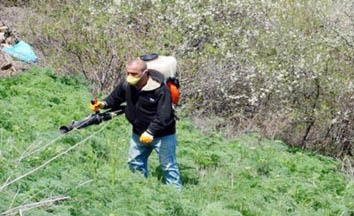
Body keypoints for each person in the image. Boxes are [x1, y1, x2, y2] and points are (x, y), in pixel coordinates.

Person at [90, 59, 182, 189]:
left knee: (168, 166)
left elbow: (164, 116)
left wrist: (151, 131)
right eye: (128, 73)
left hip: (162, 135)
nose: (130, 76)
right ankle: (139, 189)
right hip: (138, 132)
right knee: (135, 163)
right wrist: (102, 104)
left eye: (134, 74)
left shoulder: (160, 90)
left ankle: (175, 195)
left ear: (145, 72)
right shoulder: (127, 85)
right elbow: (114, 99)